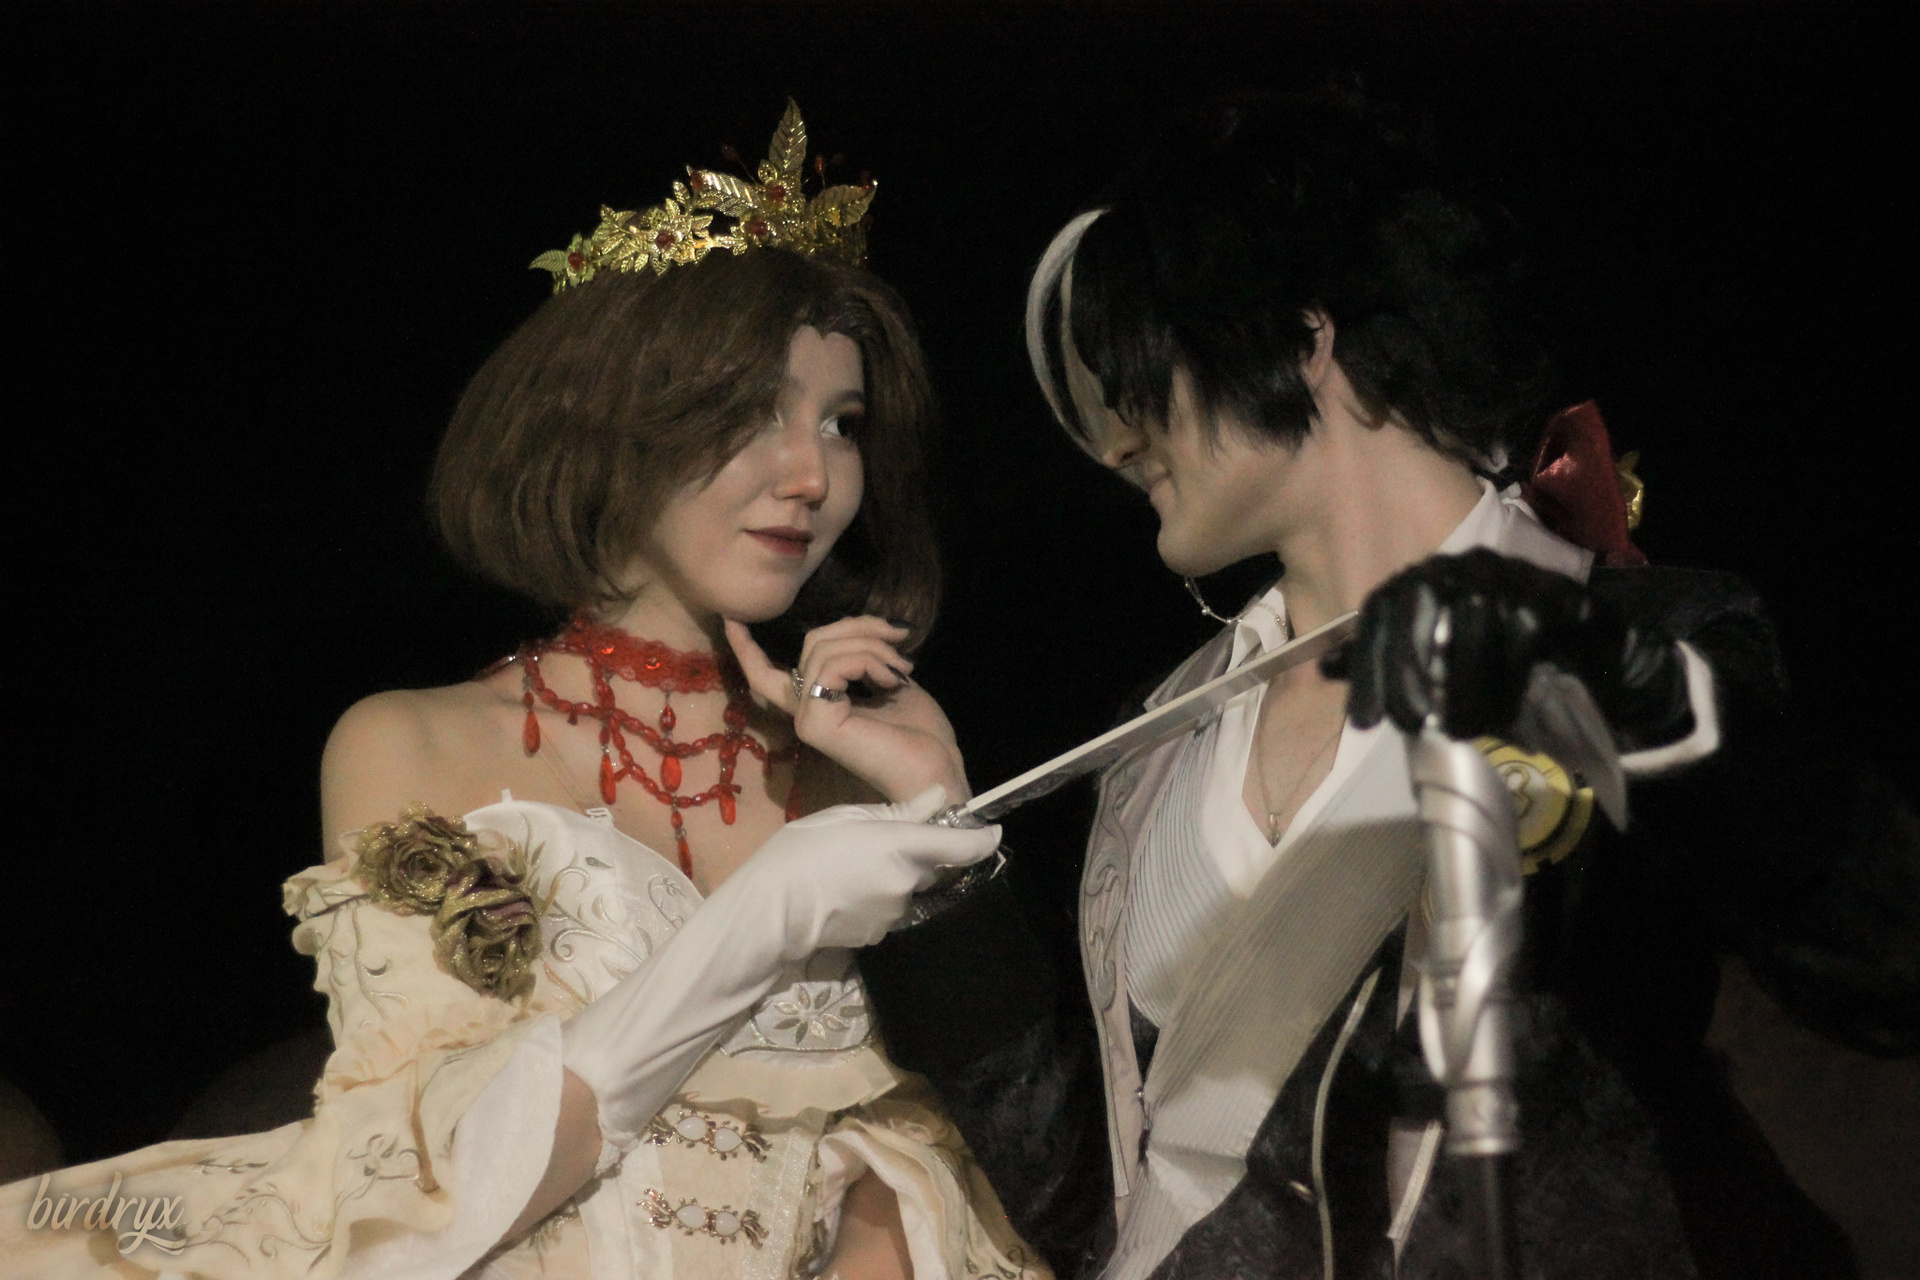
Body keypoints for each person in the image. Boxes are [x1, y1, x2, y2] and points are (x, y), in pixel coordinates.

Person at [854, 86, 1916, 1280]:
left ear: (1301, 335)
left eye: (1144, 373)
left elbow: (1884, 960)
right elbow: (1078, 1197)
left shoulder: (1648, 639)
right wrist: (936, 831)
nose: (1116, 441)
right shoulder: (1155, 742)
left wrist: (1598, 668)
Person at [0, 101, 1046, 1280]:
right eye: (753, 411)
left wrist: (941, 808)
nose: (811, 472)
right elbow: (425, 1184)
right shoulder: (412, 744)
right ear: (612, 418)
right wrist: (761, 919)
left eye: (842, 422)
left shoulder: (855, 765)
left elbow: (1022, 1165)